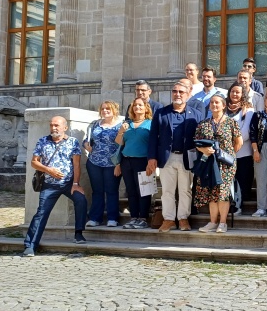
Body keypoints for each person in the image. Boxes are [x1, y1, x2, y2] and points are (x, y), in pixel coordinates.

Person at [23, 116, 88, 256]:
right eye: (52, 125)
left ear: (65, 127)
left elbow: (76, 164)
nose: (54, 128)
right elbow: (34, 162)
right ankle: (30, 245)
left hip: (69, 184)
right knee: (41, 213)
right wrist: (49, 170)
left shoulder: (72, 142)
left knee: (81, 200)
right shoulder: (43, 141)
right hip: (49, 185)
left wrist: (76, 184)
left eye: (57, 125)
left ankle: (78, 234)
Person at [147, 81, 204, 232]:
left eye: (181, 92)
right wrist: (151, 157)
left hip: (187, 157)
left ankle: (183, 218)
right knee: (167, 190)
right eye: (175, 91)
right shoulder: (161, 112)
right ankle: (169, 219)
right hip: (167, 157)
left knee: (186, 189)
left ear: (188, 94)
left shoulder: (196, 114)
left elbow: (200, 137)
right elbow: (153, 136)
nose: (177, 94)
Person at [194, 93, 243, 233]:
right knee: (211, 192)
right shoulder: (203, 124)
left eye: (217, 102)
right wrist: (205, 150)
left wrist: (228, 155)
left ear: (223, 105)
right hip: (209, 163)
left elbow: (238, 142)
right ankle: (212, 222)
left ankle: (222, 223)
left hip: (225, 164)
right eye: (212, 103)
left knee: (223, 192)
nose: (214, 105)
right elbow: (197, 143)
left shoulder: (231, 122)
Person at [115, 97, 153, 229]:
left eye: (140, 105)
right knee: (131, 190)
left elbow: (154, 144)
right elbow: (119, 143)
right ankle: (134, 217)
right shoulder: (127, 124)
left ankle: (143, 218)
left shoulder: (151, 124)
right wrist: (121, 131)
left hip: (143, 161)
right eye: (135, 105)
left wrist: (151, 162)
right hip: (127, 161)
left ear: (146, 108)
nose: (137, 107)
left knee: (144, 190)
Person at [84, 100, 122, 228]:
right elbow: (87, 139)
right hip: (94, 161)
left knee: (111, 190)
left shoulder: (120, 125)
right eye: (103, 109)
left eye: (108, 109)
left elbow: (122, 144)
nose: (105, 111)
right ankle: (95, 218)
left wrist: (119, 164)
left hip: (112, 163)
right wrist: (86, 145)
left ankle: (112, 218)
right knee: (97, 190)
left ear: (114, 111)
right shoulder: (95, 124)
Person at [225, 83, 255, 216]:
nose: (235, 94)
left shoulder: (248, 110)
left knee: (242, 181)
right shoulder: (223, 109)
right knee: (228, 181)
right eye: (232, 92)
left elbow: (246, 131)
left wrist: (233, 143)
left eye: (237, 92)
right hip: (225, 153)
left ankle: (239, 206)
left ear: (242, 94)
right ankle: (229, 205)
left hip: (243, 152)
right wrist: (226, 144)